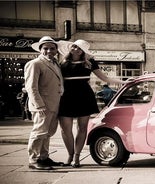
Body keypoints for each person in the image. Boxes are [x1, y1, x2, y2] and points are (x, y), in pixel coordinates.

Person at [57, 39, 126, 168]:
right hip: (65, 96)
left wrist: (124, 82)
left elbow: (105, 78)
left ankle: (77, 157)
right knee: (65, 129)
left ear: (83, 51)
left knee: (82, 128)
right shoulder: (62, 62)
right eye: (74, 47)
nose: (76, 49)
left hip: (84, 95)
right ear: (70, 47)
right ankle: (70, 155)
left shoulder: (90, 62)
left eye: (79, 48)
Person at [24, 36, 64, 170]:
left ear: (56, 50)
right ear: (40, 50)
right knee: (39, 132)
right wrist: (38, 104)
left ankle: (44, 157)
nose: (49, 51)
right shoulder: (35, 64)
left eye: (52, 48)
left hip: (54, 103)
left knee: (47, 133)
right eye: (45, 48)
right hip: (42, 105)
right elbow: (31, 87)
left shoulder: (55, 63)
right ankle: (33, 159)